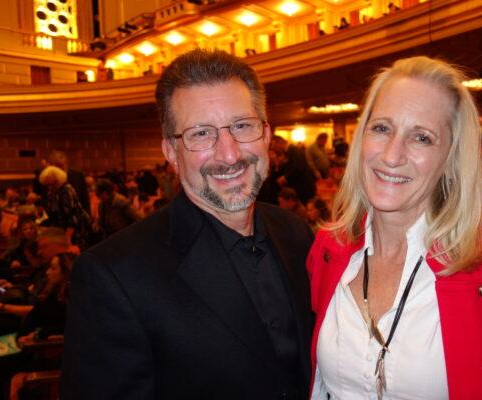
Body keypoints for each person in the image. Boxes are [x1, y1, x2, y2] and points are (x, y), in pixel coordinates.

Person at [61, 49, 314, 399]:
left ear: (267, 134)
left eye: (242, 126)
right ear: (170, 151)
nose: (229, 153)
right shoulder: (113, 275)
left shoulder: (297, 233)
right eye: (200, 134)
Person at [306, 56, 482, 399]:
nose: (393, 155)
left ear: (451, 158)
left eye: (422, 138)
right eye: (382, 128)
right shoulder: (328, 248)